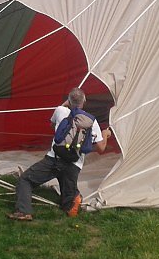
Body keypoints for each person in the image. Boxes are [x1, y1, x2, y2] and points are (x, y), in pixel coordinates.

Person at [7, 87, 112, 221]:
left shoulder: (60, 111)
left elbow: (52, 125)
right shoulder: (92, 121)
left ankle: (24, 211)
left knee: (25, 180)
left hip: (54, 159)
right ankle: (73, 199)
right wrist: (105, 134)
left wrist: (65, 104)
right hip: (73, 165)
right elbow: (101, 148)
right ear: (84, 102)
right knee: (67, 201)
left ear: (69, 100)